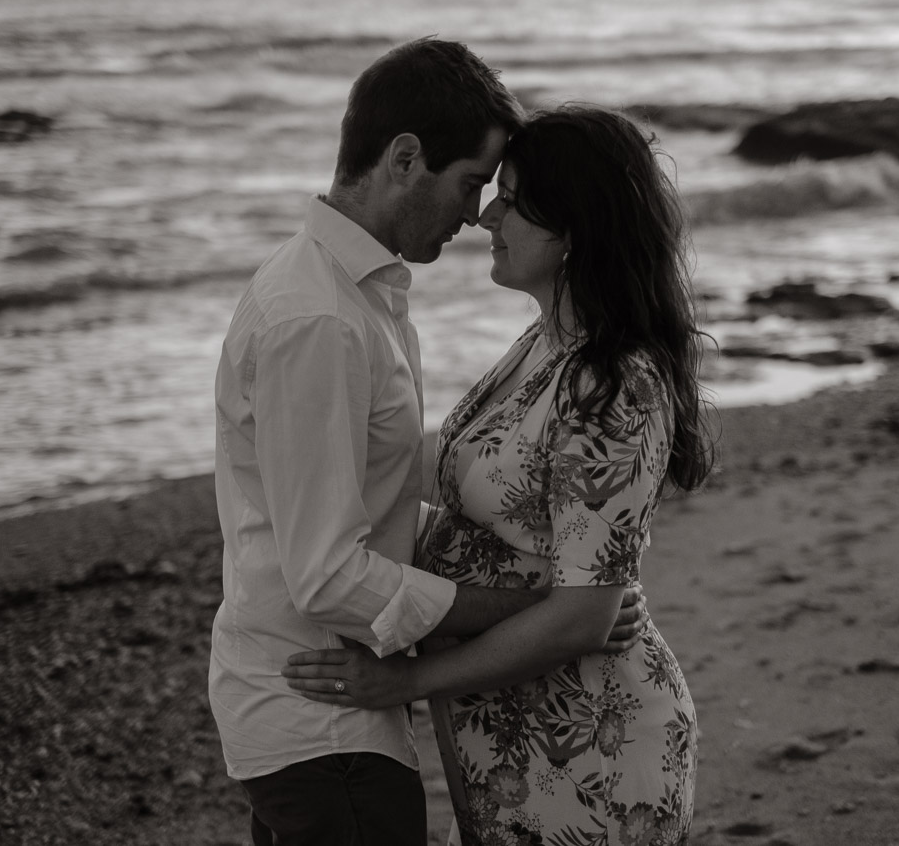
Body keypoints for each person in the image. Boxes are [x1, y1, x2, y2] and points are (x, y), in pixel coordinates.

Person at [210, 42, 647, 846]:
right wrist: (534, 612)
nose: (478, 211)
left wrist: (568, 611)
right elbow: (329, 575)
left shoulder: (358, 298)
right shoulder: (322, 320)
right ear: (406, 158)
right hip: (321, 724)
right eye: (472, 182)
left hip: (327, 716)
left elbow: (364, 511)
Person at [284, 105, 714, 846]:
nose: (486, 215)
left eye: (512, 199)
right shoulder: (544, 343)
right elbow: (507, 545)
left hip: (591, 751)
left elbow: (585, 616)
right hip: (516, 739)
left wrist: (405, 684)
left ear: (574, 227)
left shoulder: (614, 383)